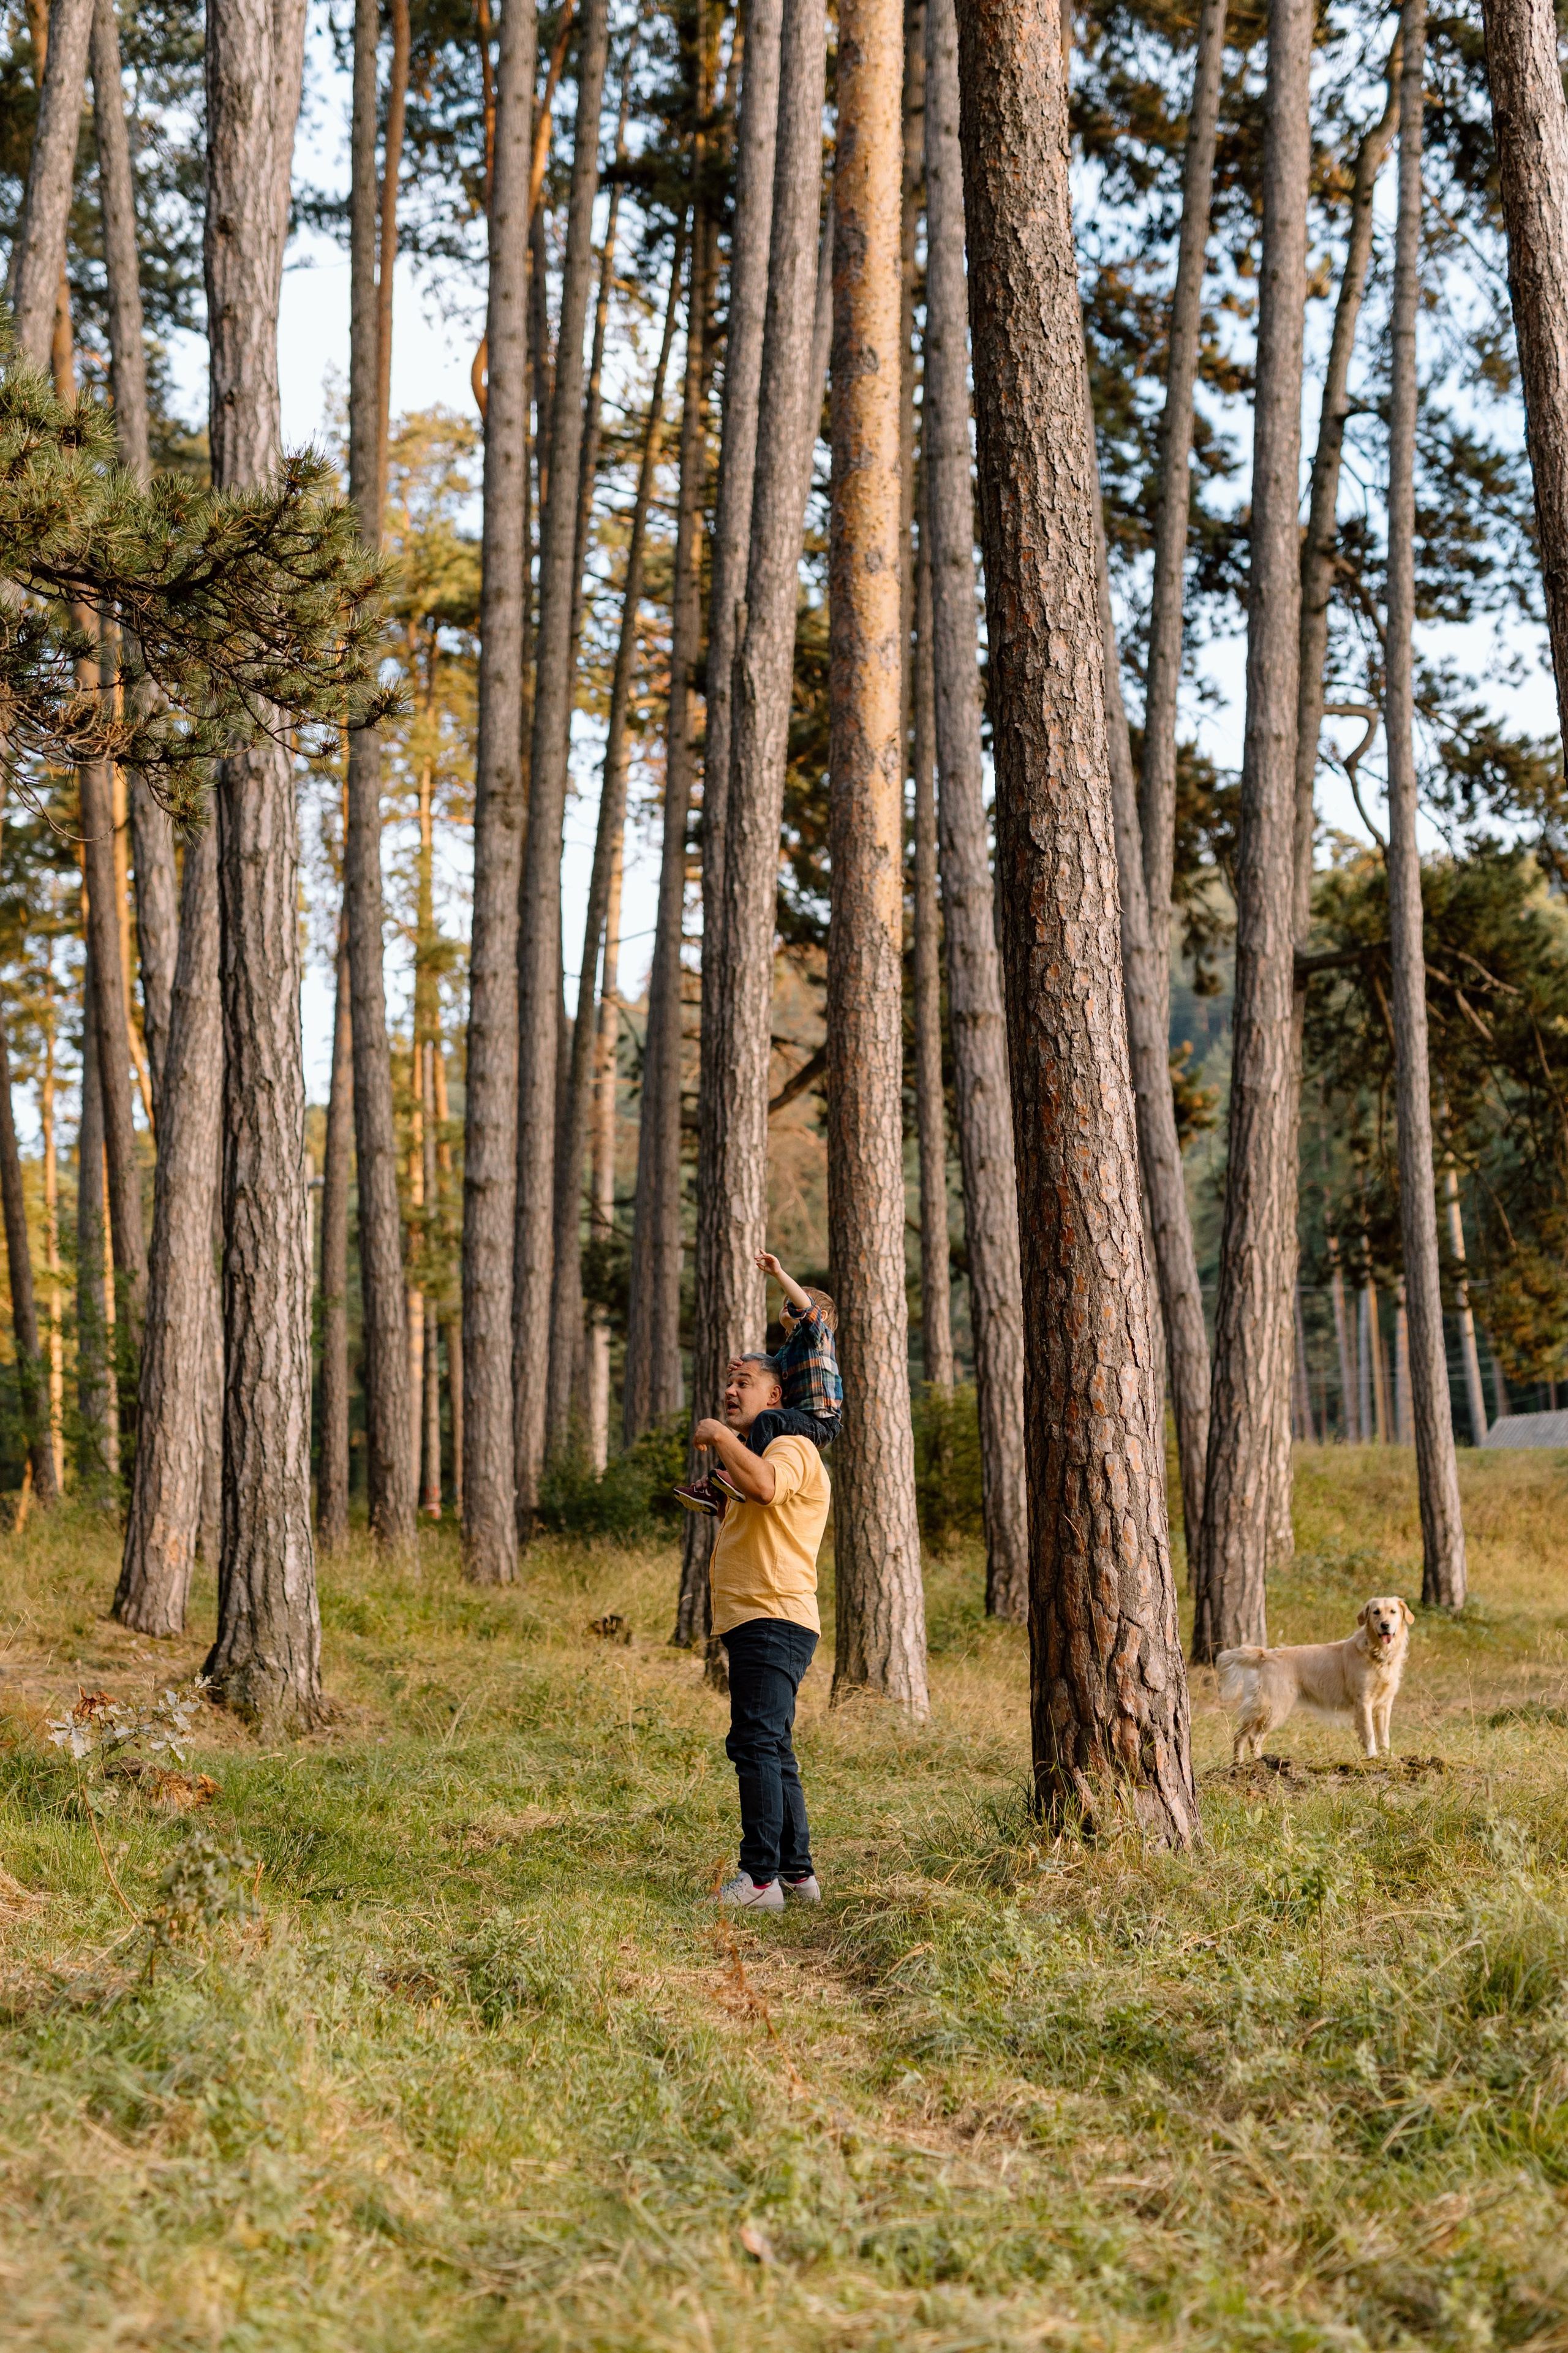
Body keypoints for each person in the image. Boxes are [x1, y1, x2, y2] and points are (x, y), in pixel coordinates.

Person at [694, 1351, 829, 1911]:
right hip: (762, 1616)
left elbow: (770, 1488)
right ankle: (796, 1875)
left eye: (744, 1382)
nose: (731, 1390)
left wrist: (719, 1435)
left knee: (754, 1742)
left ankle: (758, 1880)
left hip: (772, 1615)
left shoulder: (790, 1446)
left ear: (775, 1397)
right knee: (773, 1745)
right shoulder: (761, 1453)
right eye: (729, 1382)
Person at [674, 1248, 841, 1516]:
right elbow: (763, 1371)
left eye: (791, 1302)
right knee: (741, 1442)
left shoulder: (818, 1338)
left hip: (820, 1422)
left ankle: (737, 1480)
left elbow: (807, 1308)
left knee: (766, 1419)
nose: (787, 1305)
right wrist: (740, 1363)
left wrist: (779, 1273)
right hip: (797, 1417)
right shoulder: (787, 1351)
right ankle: (713, 1492)